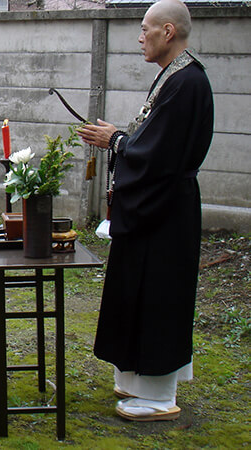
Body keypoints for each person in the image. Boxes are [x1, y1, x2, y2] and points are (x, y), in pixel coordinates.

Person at [76, 0, 214, 422]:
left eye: (145, 29)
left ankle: (157, 396)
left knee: (158, 299)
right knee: (135, 292)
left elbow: (161, 156)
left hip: (165, 213)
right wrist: (120, 139)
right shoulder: (172, 78)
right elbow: (151, 139)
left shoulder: (188, 83)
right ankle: (136, 380)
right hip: (154, 209)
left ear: (168, 31)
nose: (140, 38)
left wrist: (116, 140)